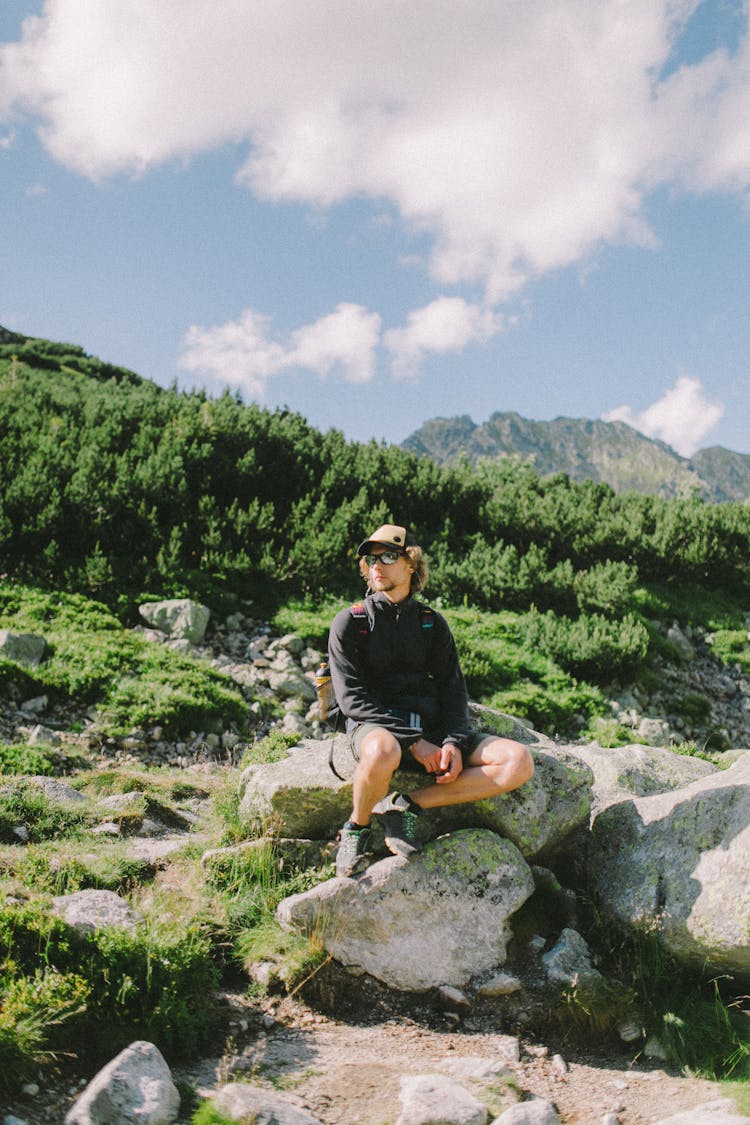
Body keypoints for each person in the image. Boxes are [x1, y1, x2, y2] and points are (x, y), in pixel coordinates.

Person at [327, 523, 535, 877]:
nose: (377, 565)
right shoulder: (351, 622)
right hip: (375, 729)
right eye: (370, 558)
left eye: (389, 556)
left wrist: (453, 741)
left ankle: (406, 806)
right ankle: (357, 828)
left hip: (431, 730)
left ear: (411, 564)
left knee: (518, 761)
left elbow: (454, 689)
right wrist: (414, 743)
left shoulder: (431, 624)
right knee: (383, 750)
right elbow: (351, 700)